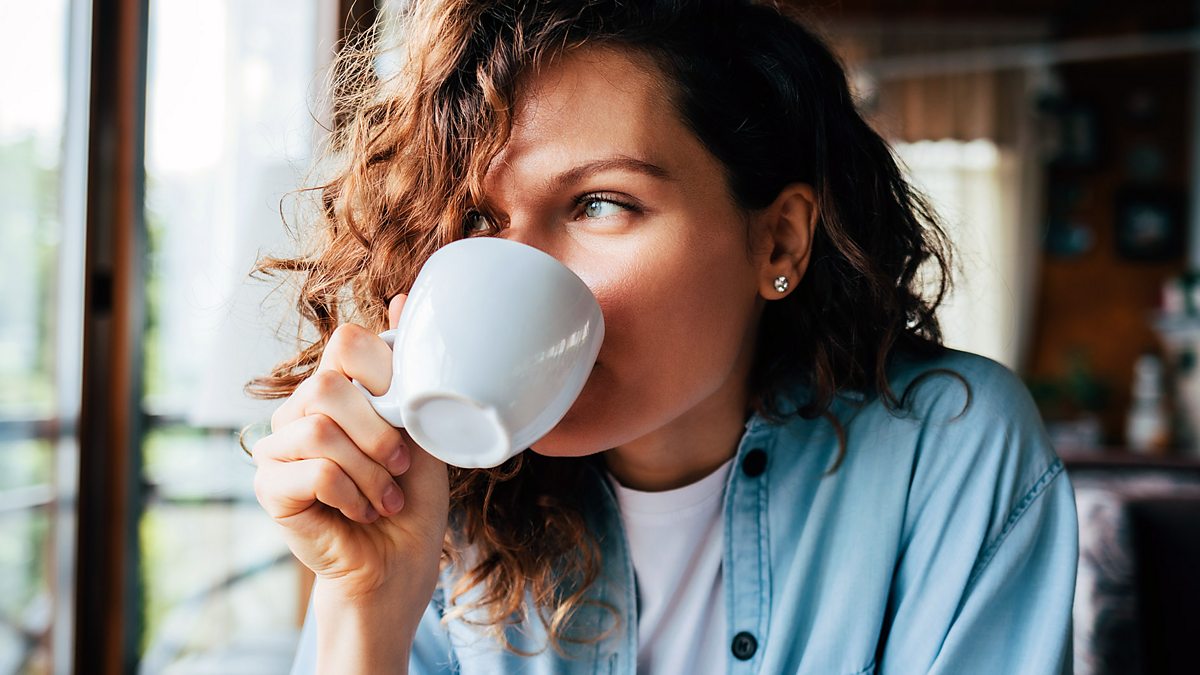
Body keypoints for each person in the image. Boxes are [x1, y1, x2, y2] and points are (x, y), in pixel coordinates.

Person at [249, 1, 1079, 673]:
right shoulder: (433, 493)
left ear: (778, 242)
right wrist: (366, 615)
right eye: (477, 219)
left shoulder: (947, 450)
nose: (518, 272)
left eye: (601, 203)